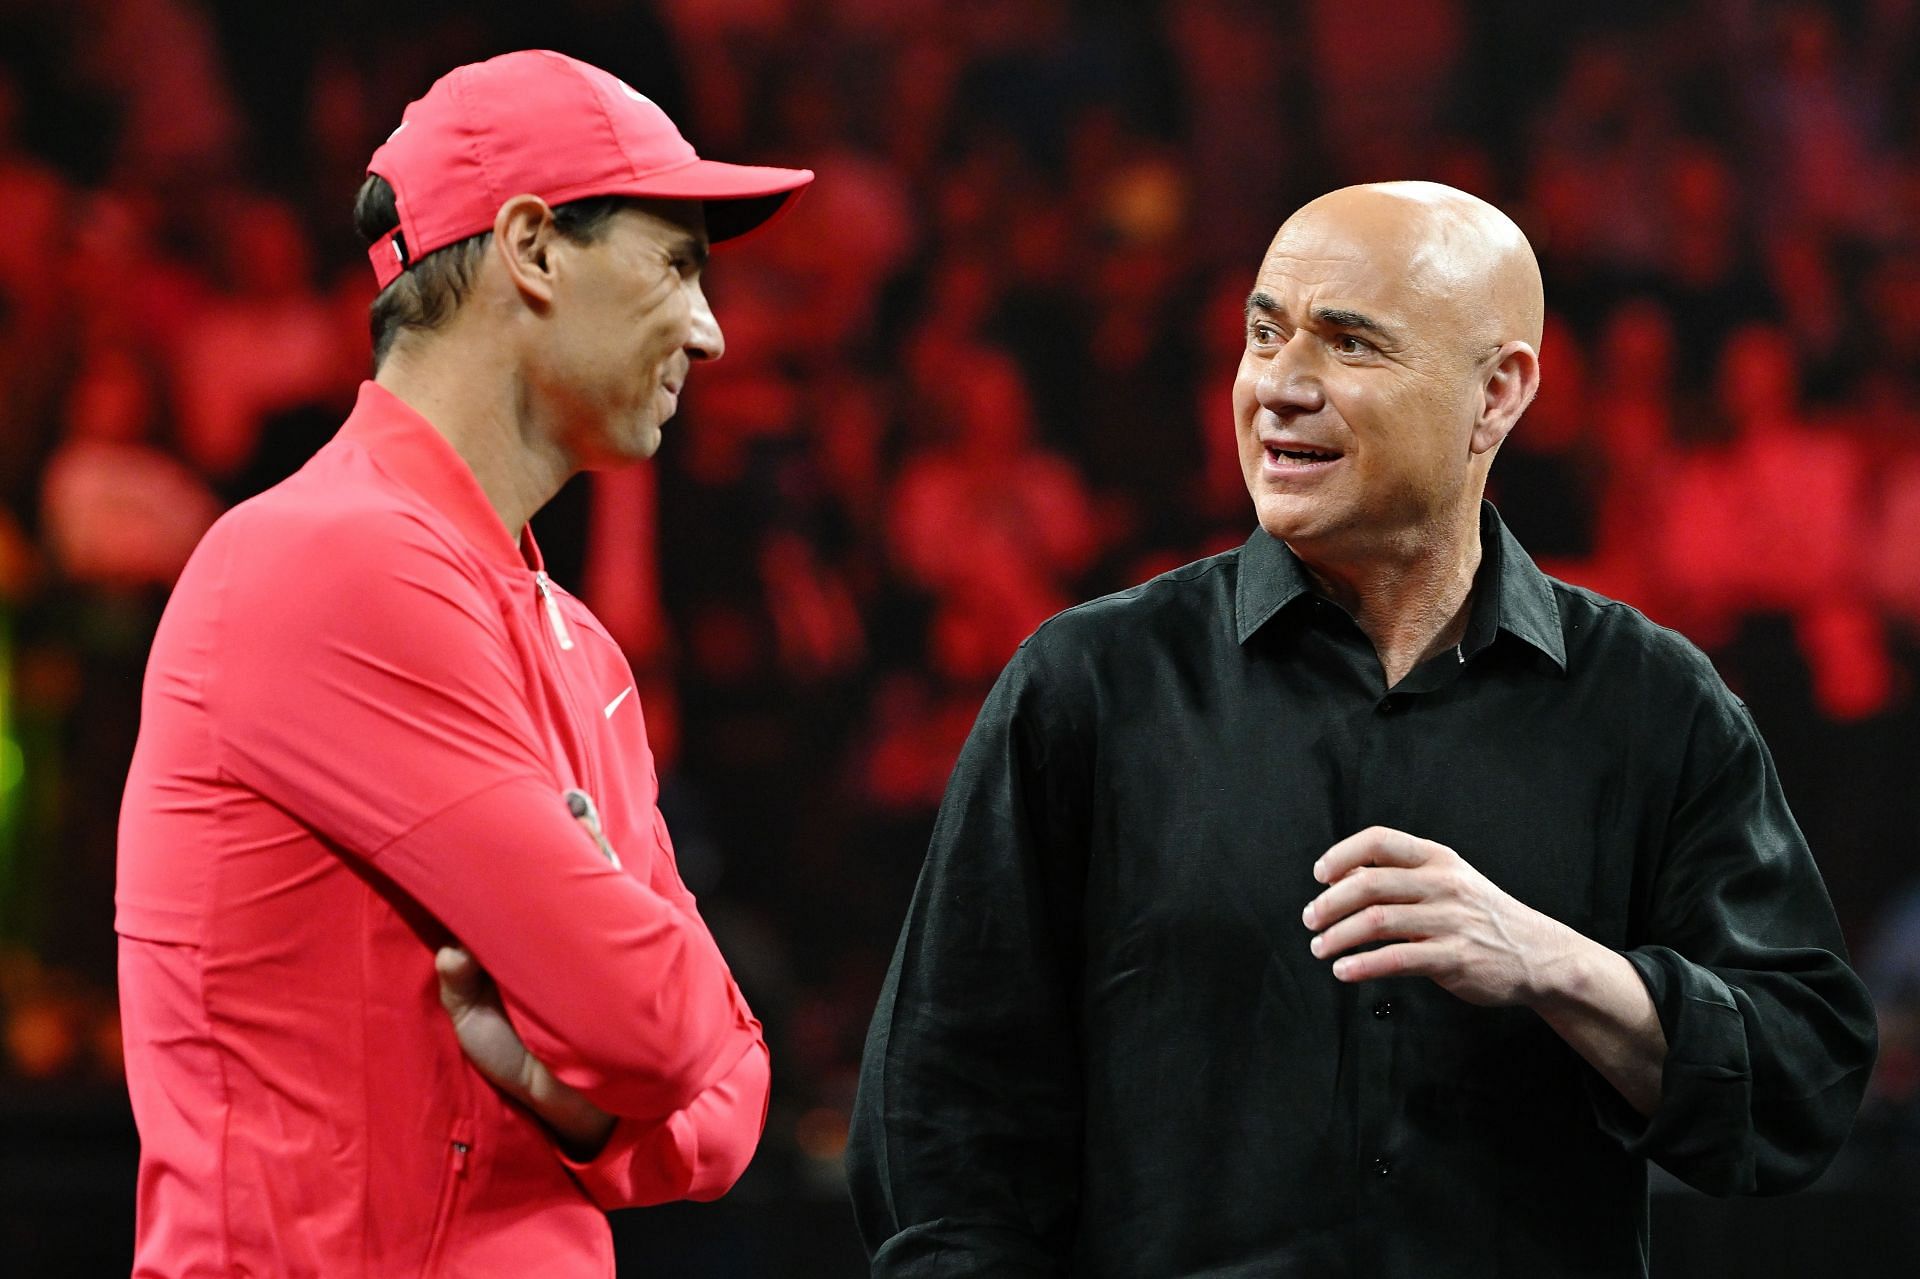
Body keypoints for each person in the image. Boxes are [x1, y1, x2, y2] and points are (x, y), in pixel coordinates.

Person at [847, 181, 1878, 1277]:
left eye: (1348, 343)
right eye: (1264, 333)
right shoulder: (1089, 687)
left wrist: (1559, 966)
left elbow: (1801, 1086)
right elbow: (940, 1135)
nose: (1278, 388)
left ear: (1497, 394)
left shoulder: (1651, 704)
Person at [115, 50, 811, 1277]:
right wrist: (622, 1044)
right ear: (533, 247)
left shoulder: (575, 640)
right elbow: (661, 1026)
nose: (709, 332)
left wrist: (581, 1101)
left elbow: (736, 1090)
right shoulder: (320, 565)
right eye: (679, 263)